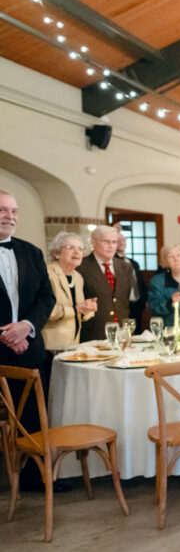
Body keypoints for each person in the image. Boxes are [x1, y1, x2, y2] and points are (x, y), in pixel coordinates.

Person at [0, 190, 58, 492]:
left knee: (35, 415)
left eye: (14, 211)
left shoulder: (31, 252)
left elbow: (47, 297)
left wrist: (25, 327)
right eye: (2, 210)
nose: (10, 216)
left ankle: (37, 478)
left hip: (30, 349)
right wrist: (6, 334)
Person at [78, 225, 133, 342]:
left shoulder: (125, 266)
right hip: (93, 334)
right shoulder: (81, 267)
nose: (111, 246)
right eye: (106, 241)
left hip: (121, 334)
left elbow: (124, 300)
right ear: (93, 242)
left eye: (114, 242)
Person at [43, 232, 96, 351]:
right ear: (57, 252)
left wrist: (87, 308)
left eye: (80, 249)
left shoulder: (77, 277)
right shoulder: (47, 274)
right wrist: (76, 309)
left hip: (73, 344)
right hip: (50, 345)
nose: (77, 252)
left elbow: (79, 311)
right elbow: (45, 311)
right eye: (70, 247)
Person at [115, 228, 147, 330]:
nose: (121, 243)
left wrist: (143, 301)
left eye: (123, 240)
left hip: (137, 305)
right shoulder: (113, 263)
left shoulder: (134, 263)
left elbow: (140, 283)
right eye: (118, 240)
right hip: (122, 305)